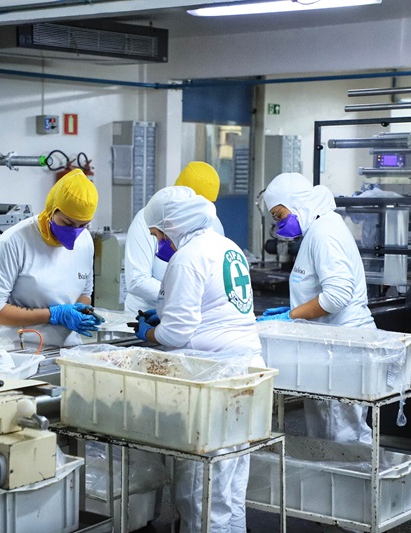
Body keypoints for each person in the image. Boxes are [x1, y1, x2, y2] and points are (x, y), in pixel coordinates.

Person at [133, 185, 263, 533]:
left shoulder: (187, 257)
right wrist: (166, 312)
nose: (158, 242)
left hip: (211, 375)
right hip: (246, 369)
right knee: (230, 481)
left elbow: (176, 334)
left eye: (157, 233)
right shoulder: (227, 245)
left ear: (172, 226)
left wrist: (149, 333)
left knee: (201, 489)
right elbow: (212, 306)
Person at [257, 172, 375, 444]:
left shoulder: (324, 233)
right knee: (326, 436)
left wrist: (290, 316)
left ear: (296, 203)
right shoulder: (318, 229)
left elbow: (337, 296)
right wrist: (293, 311)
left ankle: (351, 474)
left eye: (279, 215)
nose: (279, 224)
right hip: (328, 347)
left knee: (342, 436)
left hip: (343, 347)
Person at [0, 168, 103, 347]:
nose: (74, 232)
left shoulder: (85, 241)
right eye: (67, 223)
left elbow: (84, 293)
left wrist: (82, 311)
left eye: (82, 225)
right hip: (19, 350)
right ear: (52, 208)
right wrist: (53, 315)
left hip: (68, 349)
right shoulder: (14, 242)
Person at [123, 161, 225, 316]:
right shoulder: (148, 219)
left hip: (191, 312)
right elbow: (137, 280)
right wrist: (181, 296)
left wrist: (190, 299)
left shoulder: (213, 223)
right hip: (145, 312)